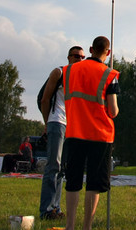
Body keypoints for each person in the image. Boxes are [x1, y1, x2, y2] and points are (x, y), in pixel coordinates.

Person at [63, 36, 120, 230]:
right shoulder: (109, 74)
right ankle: (87, 226)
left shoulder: (69, 70)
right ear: (108, 52)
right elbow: (113, 110)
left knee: (73, 181)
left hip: (74, 131)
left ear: (90, 49)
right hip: (99, 135)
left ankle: (70, 226)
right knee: (94, 183)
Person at [39, 45, 85, 221]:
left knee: (62, 169)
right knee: (53, 166)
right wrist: (47, 122)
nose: (79, 59)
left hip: (71, 125)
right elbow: (45, 98)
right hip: (56, 122)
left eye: (82, 57)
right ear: (68, 57)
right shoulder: (59, 72)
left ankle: (55, 208)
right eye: (75, 56)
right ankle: (46, 210)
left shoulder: (79, 77)